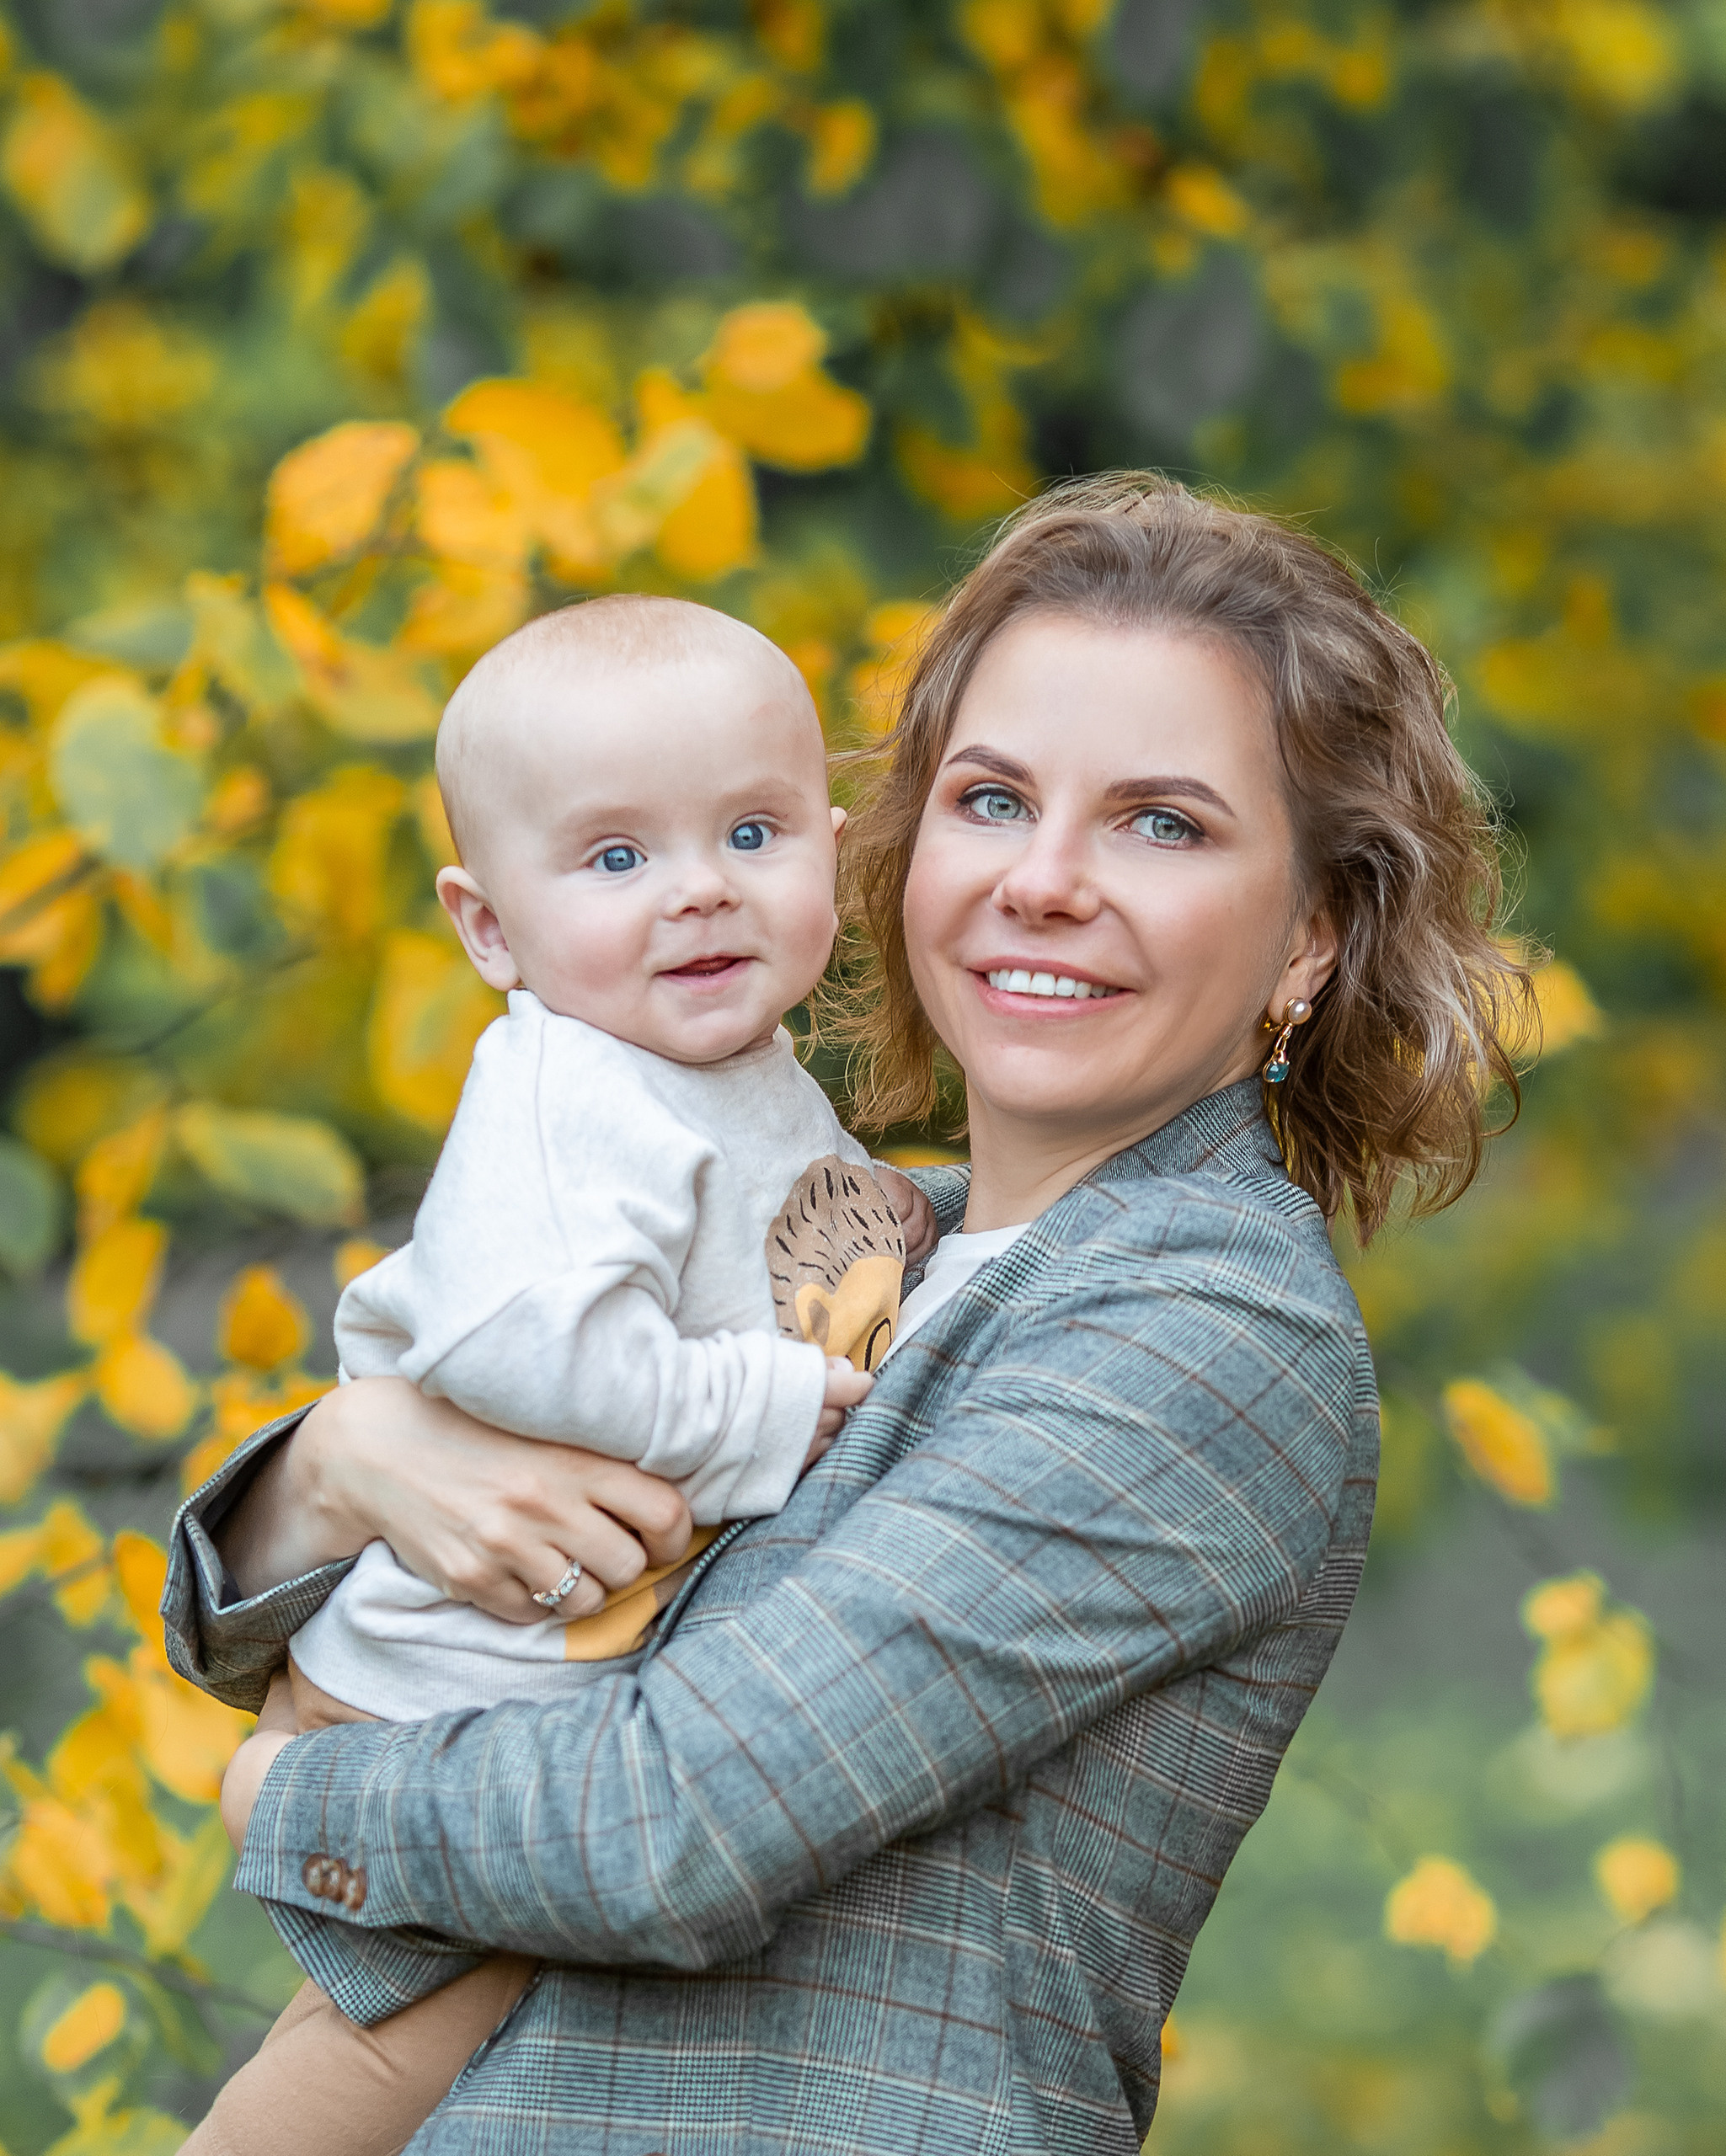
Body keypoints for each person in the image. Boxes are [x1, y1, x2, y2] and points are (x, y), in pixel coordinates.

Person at [166, 475, 1532, 2156]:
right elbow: (449, 1536)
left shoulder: (1201, 1329)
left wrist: (268, 1790)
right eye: (989, 795)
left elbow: (674, 1819)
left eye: (1159, 821)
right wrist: (348, 1457)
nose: (1042, 878)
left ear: (1308, 938)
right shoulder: (857, 1238)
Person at [185, 594, 937, 2154]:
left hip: (542, 1672)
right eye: (615, 858)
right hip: (440, 1692)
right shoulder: (567, 1094)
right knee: (386, 2057)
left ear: (836, 847)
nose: (697, 896)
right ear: (486, 927)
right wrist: (758, 1414)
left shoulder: (731, 1070)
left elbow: (804, 1269)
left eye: (751, 833)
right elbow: (510, 1343)